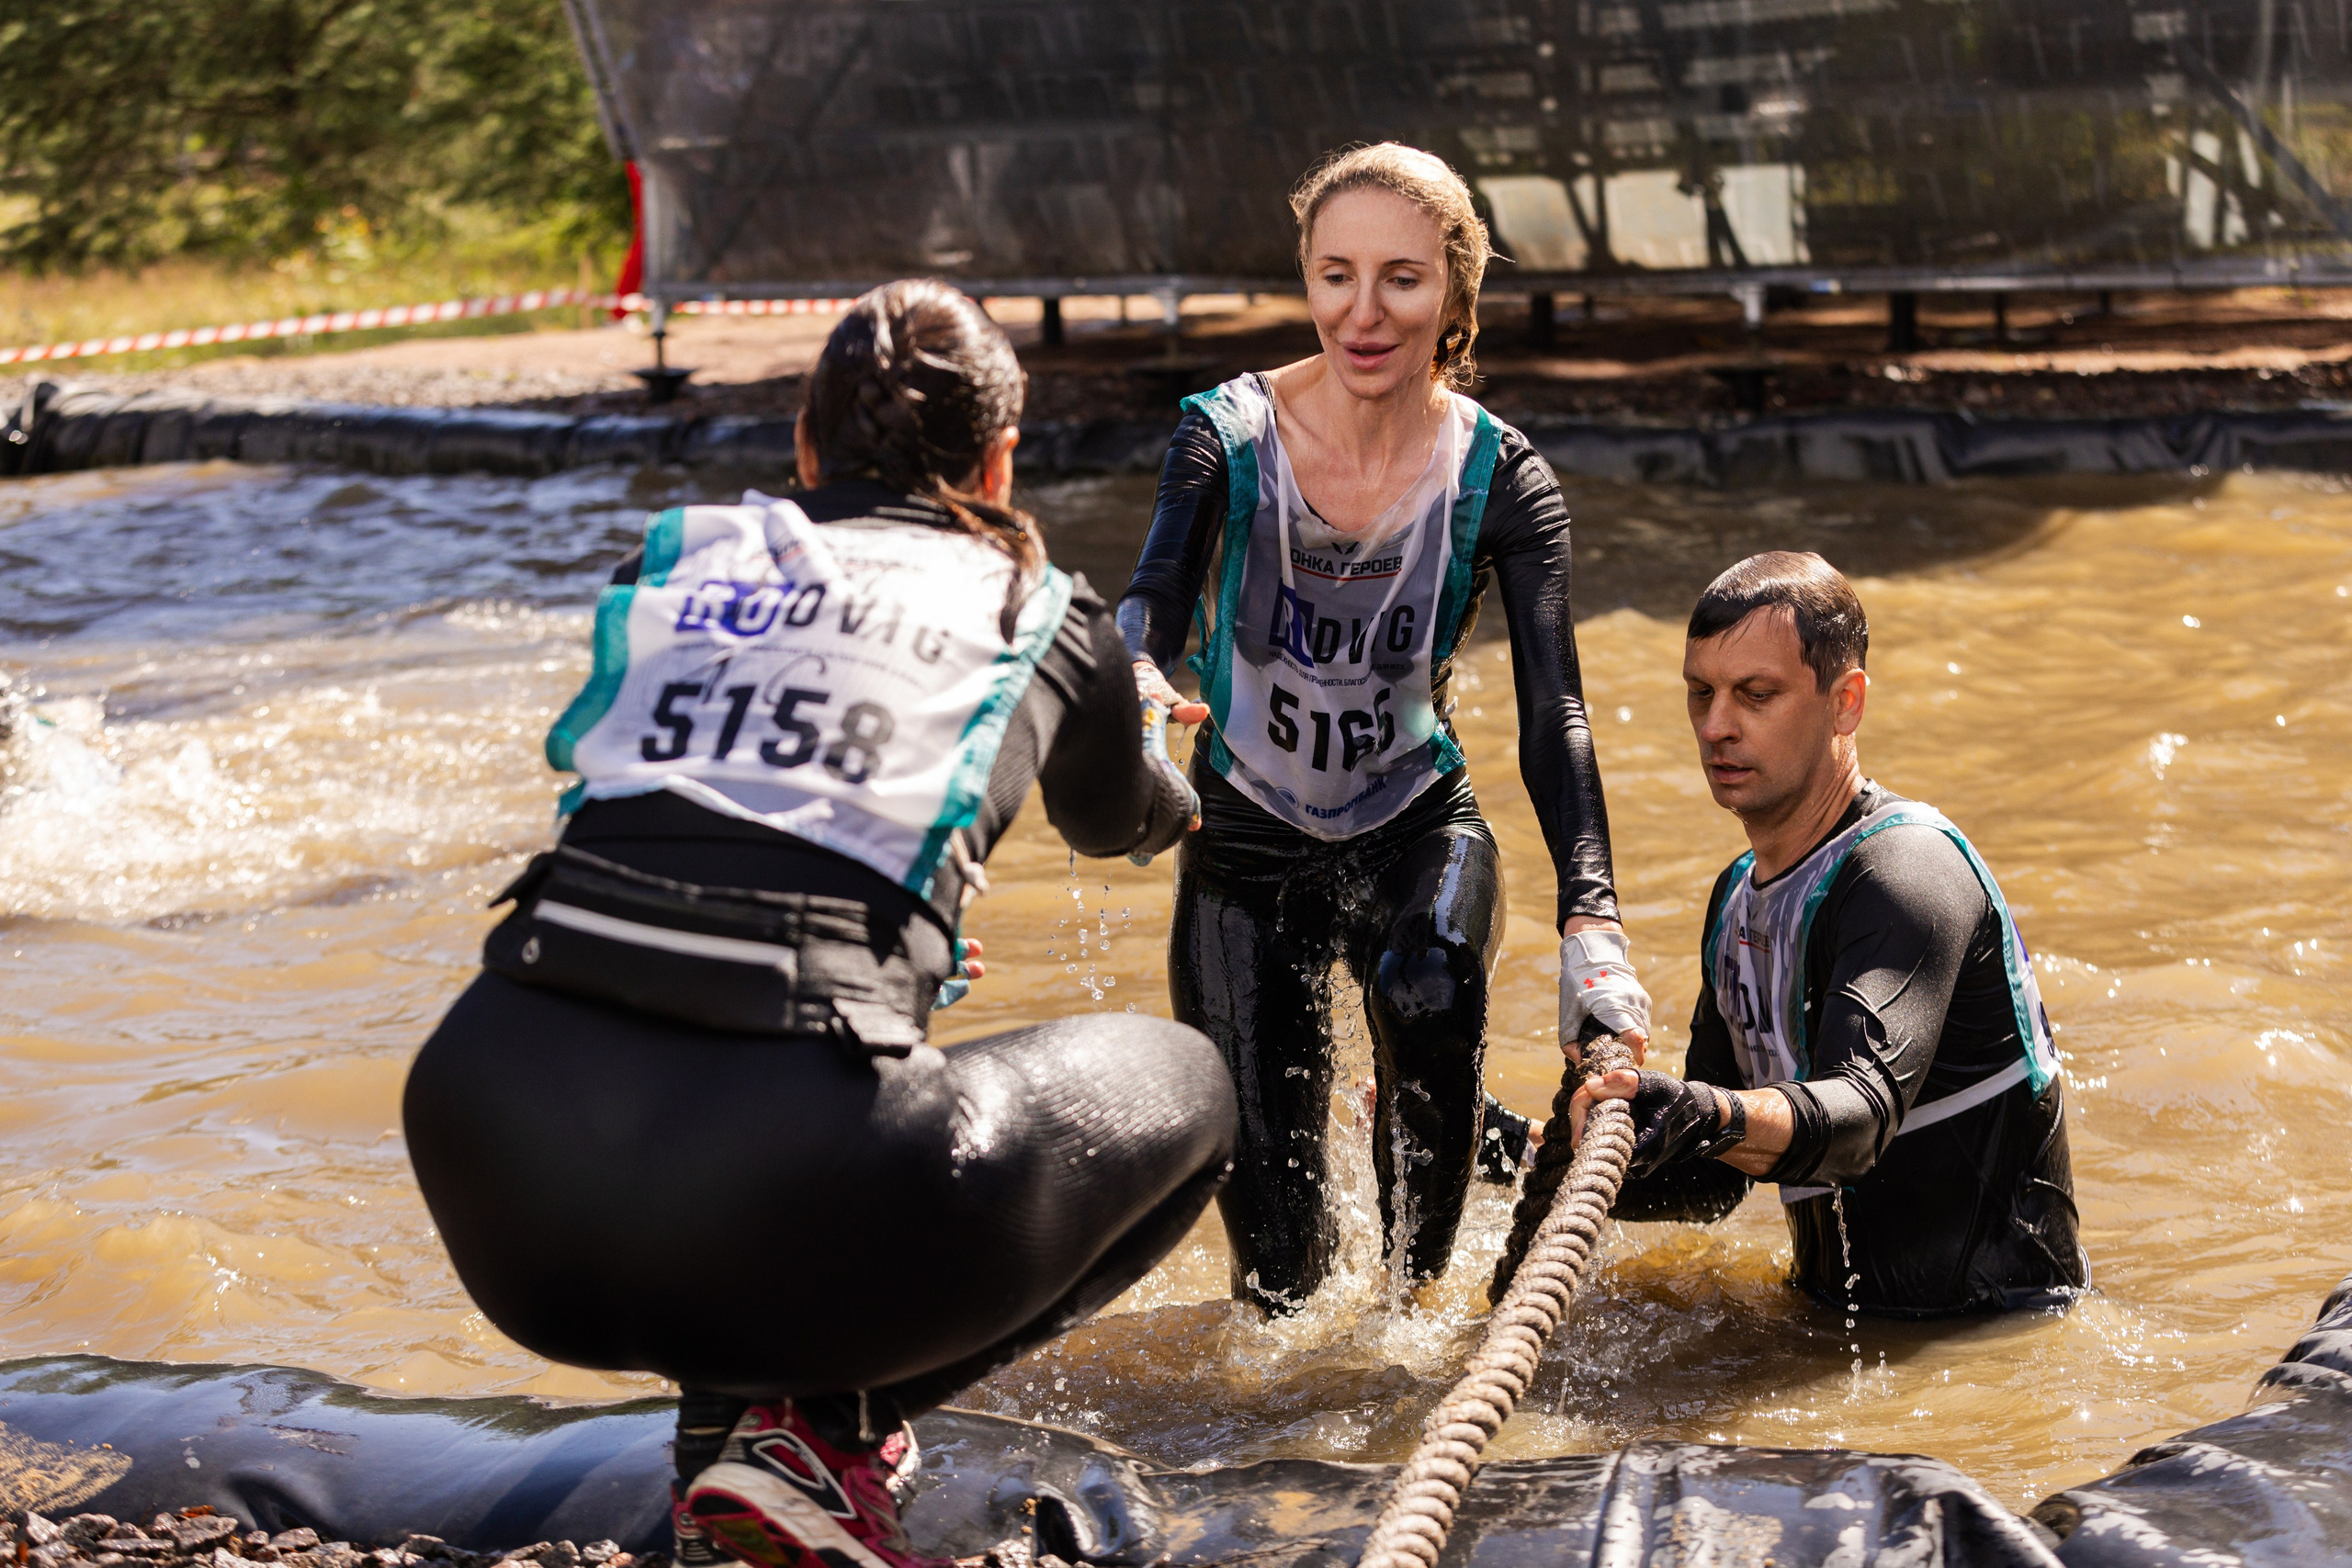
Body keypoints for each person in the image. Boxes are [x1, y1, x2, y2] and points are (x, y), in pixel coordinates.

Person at [402, 280, 1238, 1568]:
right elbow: (1113, 816)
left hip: (502, 1181)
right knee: (1193, 1092)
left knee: (753, 1044)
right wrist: (1144, 736)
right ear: (1002, 460)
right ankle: (828, 1429)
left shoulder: (671, 557)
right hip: (783, 1189)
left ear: (801, 448)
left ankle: (736, 1464)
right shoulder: (1038, 604)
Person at [1120, 143, 1649, 1314]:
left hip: (1414, 824)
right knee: (1275, 1282)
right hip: (1244, 847)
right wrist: (1138, 675)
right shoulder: (1224, 437)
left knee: (1427, 980)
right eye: (1334, 276)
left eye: (1401, 281)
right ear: (1305, 280)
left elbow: (1553, 711)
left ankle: (1417, 1324)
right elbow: (1152, 595)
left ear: (1454, 297)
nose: (1363, 315)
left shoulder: (1503, 477)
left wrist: (1593, 919)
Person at [1572, 551, 2086, 1316]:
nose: (1716, 727)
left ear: (1845, 703)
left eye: (1755, 695)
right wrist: (1502, 1145)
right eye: (1700, 694)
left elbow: (1858, 1123)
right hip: (1827, 1325)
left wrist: (1706, 1110)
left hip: (1989, 1332)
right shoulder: (1737, 899)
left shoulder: (1907, 872)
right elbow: (1715, 1179)